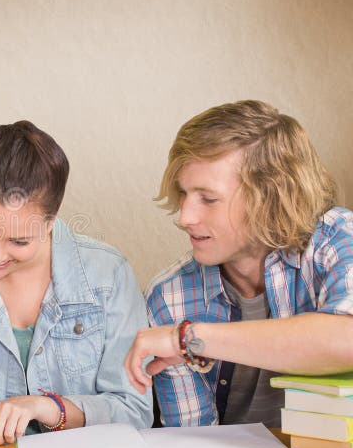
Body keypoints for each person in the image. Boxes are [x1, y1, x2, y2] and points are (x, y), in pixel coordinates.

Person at [124, 100, 353, 427]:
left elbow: (347, 340)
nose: (185, 217)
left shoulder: (338, 240)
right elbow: (195, 443)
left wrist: (191, 339)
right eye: (184, 193)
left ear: (270, 196)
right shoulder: (169, 296)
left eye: (209, 198)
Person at [0, 121, 152, 446]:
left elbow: (135, 411)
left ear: (52, 218)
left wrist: (49, 409)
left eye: (19, 241)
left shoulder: (108, 276)